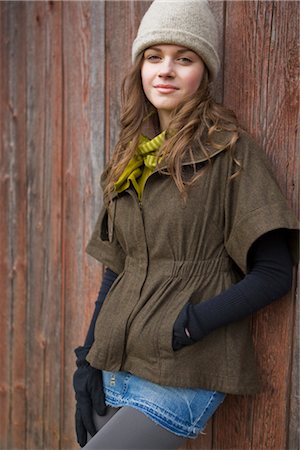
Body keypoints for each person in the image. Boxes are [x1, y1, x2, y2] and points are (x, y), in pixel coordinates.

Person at [73, 0, 299, 448]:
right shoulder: (131, 158)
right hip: (114, 365)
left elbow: (274, 273)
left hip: (180, 372)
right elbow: (117, 271)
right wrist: (86, 359)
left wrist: (190, 324)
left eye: (184, 58)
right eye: (155, 57)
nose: (166, 70)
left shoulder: (231, 152)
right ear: (140, 67)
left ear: (204, 72)